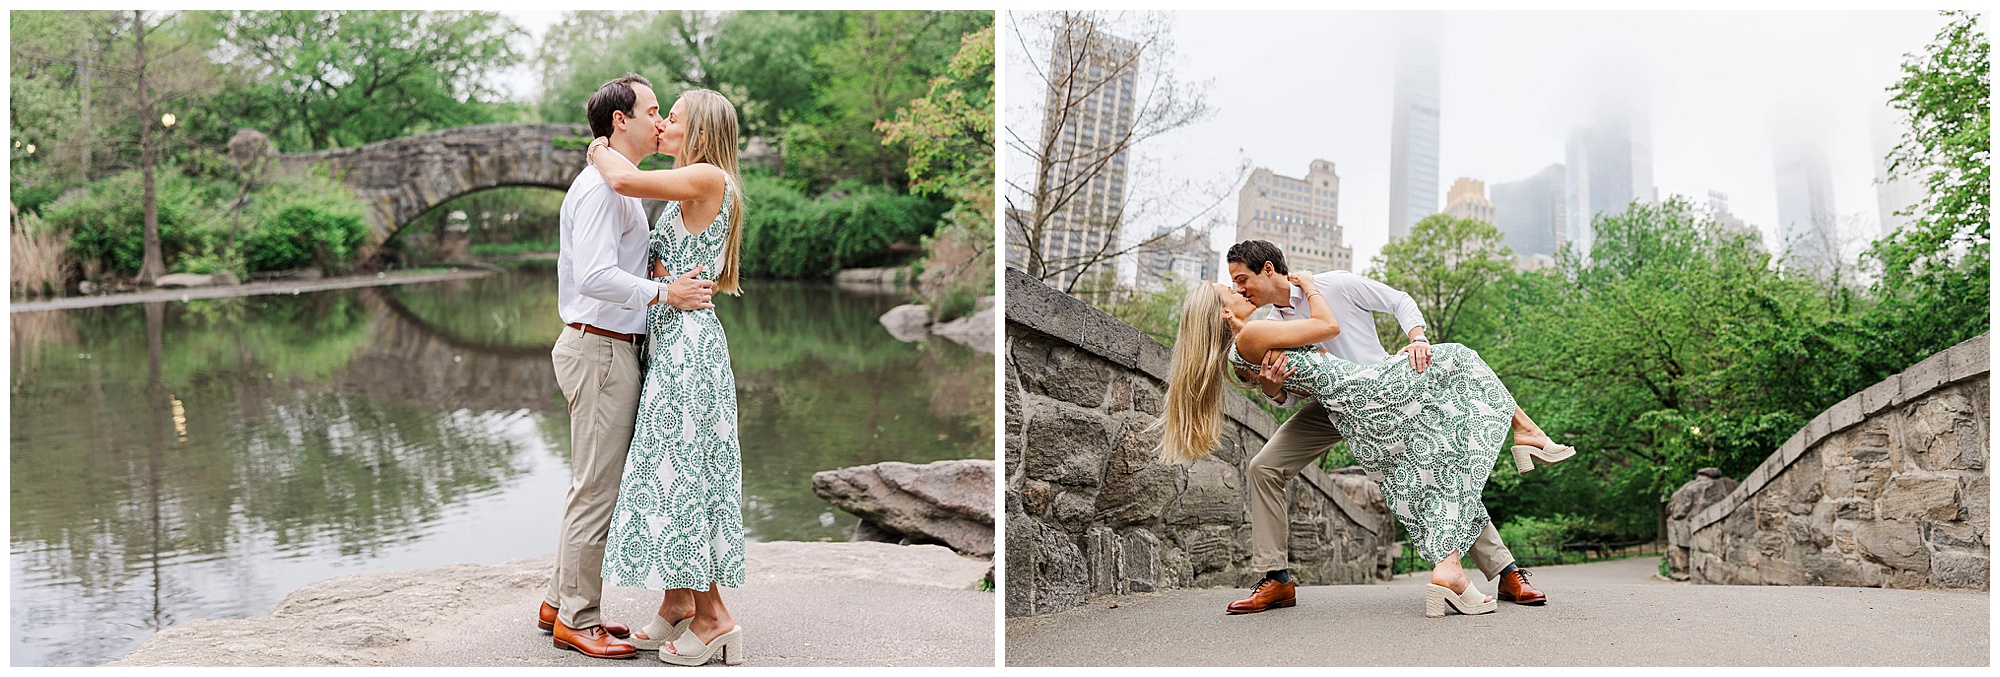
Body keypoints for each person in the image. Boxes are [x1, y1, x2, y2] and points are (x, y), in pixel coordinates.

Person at [542, 73, 717, 660]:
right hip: (599, 348)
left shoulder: (624, 185)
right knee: (596, 490)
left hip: (612, 348)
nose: (660, 119)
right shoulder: (600, 189)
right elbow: (593, 277)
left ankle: (557, 601)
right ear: (622, 121)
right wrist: (663, 295)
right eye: (652, 109)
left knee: (590, 485)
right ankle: (578, 618)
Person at [585, 86, 748, 666]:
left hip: (692, 352)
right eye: (659, 117)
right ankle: (678, 601)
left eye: (670, 119)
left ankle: (714, 616)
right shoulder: (680, 196)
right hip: (666, 345)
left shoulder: (708, 178)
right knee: (668, 476)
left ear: (698, 132)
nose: (661, 127)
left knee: (689, 476)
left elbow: (623, 180)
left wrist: (600, 146)